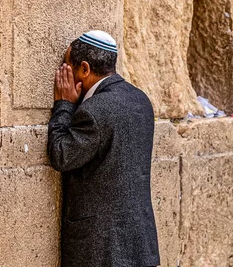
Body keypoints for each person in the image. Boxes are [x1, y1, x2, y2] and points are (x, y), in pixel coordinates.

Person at [48, 30, 160, 267]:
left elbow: (61, 155)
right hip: (138, 243)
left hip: (100, 250)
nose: (65, 73)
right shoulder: (141, 100)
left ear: (85, 69)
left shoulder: (93, 111)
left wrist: (64, 106)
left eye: (69, 66)